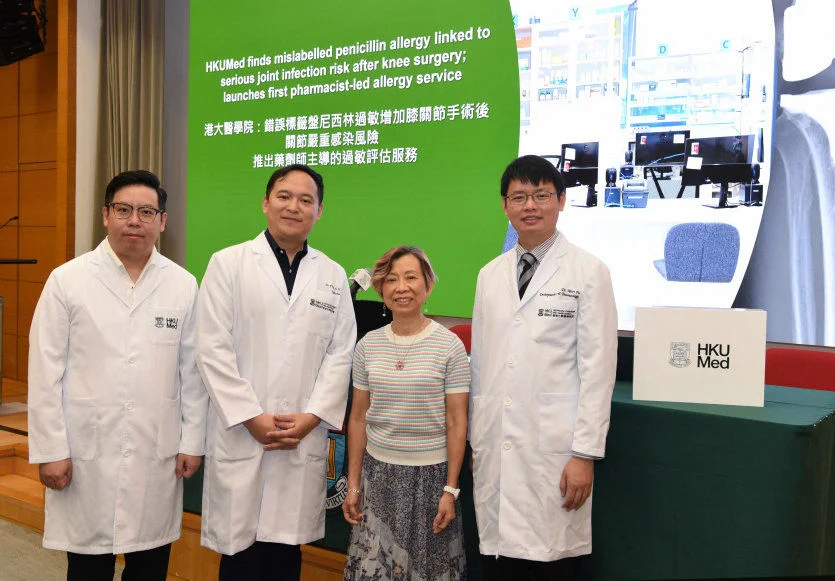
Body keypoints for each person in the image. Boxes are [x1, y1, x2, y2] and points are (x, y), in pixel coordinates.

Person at [27, 170, 208, 581]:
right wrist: (50, 449)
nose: (134, 221)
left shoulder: (182, 284)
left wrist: (192, 442)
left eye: (146, 212)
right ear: (106, 215)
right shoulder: (67, 280)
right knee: (88, 567)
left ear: (162, 221)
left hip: (155, 454)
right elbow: (44, 371)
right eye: (124, 210)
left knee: (150, 566)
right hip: (85, 452)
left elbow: (193, 374)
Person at [196, 164, 357, 581]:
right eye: (284, 196)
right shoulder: (228, 263)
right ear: (266, 203)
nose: (294, 207)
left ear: (319, 211)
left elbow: (340, 354)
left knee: (286, 554)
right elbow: (211, 347)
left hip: (299, 436)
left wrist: (312, 417)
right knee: (240, 556)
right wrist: (251, 416)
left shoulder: (332, 275)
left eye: (306, 200)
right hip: (242, 431)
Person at [469, 155, 618, 580]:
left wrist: (584, 454)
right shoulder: (489, 275)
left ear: (561, 201)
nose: (530, 206)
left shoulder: (589, 272)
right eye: (519, 197)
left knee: (552, 564)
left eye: (541, 195)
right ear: (505, 205)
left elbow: (598, 370)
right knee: (499, 564)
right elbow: (482, 365)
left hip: (556, 450)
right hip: (497, 444)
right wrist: (479, 440)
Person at [343, 246, 469, 581]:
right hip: (378, 476)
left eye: (411, 277)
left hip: (431, 481)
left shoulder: (450, 346)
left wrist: (450, 490)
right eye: (392, 279)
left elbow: (457, 422)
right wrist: (353, 485)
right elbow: (358, 418)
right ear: (381, 289)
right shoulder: (367, 346)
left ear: (428, 284)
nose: (402, 287)